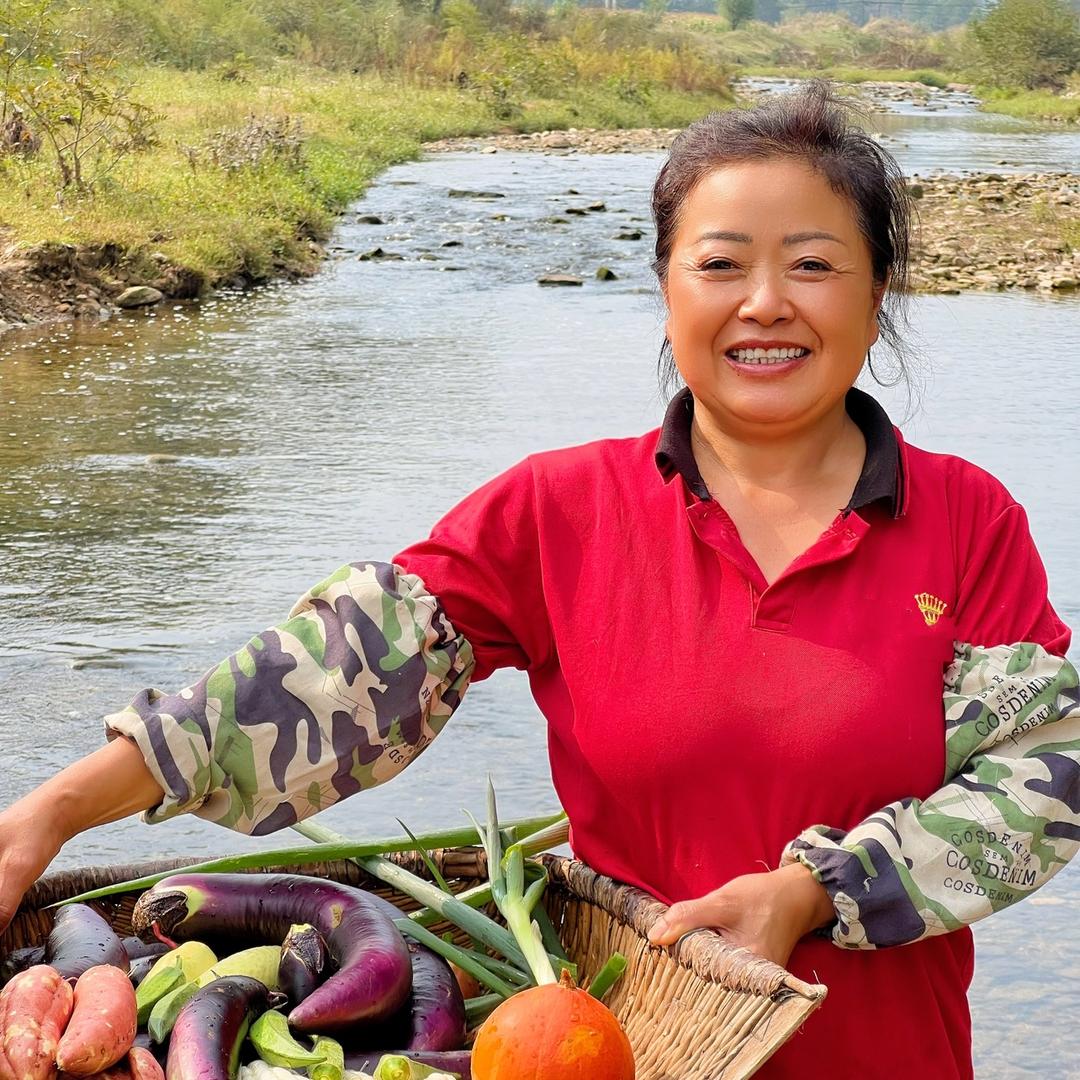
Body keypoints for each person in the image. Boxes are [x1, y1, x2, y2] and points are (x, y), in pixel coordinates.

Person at [0, 82, 1076, 1079]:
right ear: (664, 285)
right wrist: (51, 816)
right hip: (616, 1052)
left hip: (883, 1056)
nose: (764, 303)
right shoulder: (560, 513)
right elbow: (322, 681)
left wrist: (812, 895)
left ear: (877, 290)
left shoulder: (964, 520)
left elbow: (1043, 781)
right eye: (719, 263)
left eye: (811, 263)